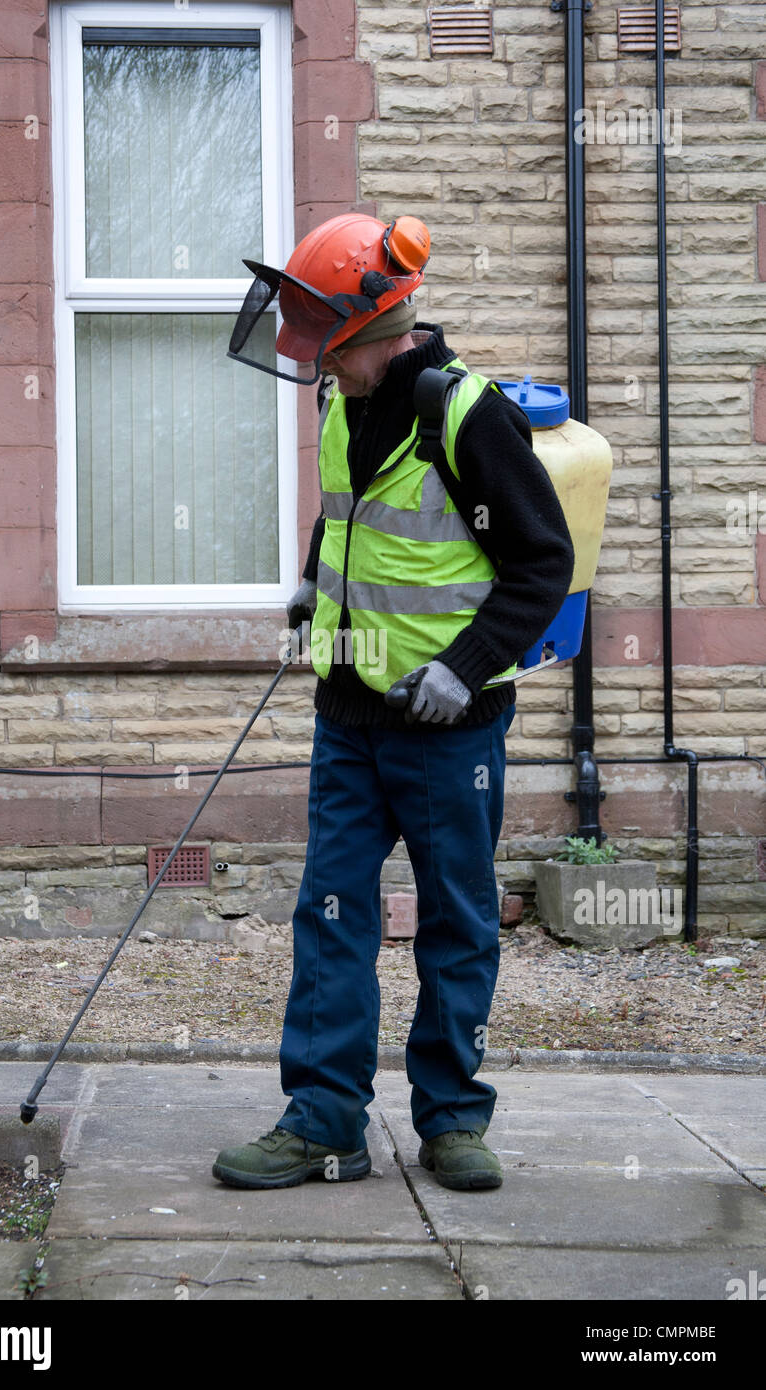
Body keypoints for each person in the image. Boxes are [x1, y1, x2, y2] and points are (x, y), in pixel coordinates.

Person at [212, 214, 574, 1191]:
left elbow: (542, 562)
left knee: (455, 920)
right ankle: (324, 1119)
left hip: (449, 728)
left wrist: (465, 663)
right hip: (349, 716)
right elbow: (350, 518)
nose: (309, 357)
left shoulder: (467, 416)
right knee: (330, 913)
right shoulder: (346, 405)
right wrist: (306, 582)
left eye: (320, 335)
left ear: (379, 325)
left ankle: (452, 1121)